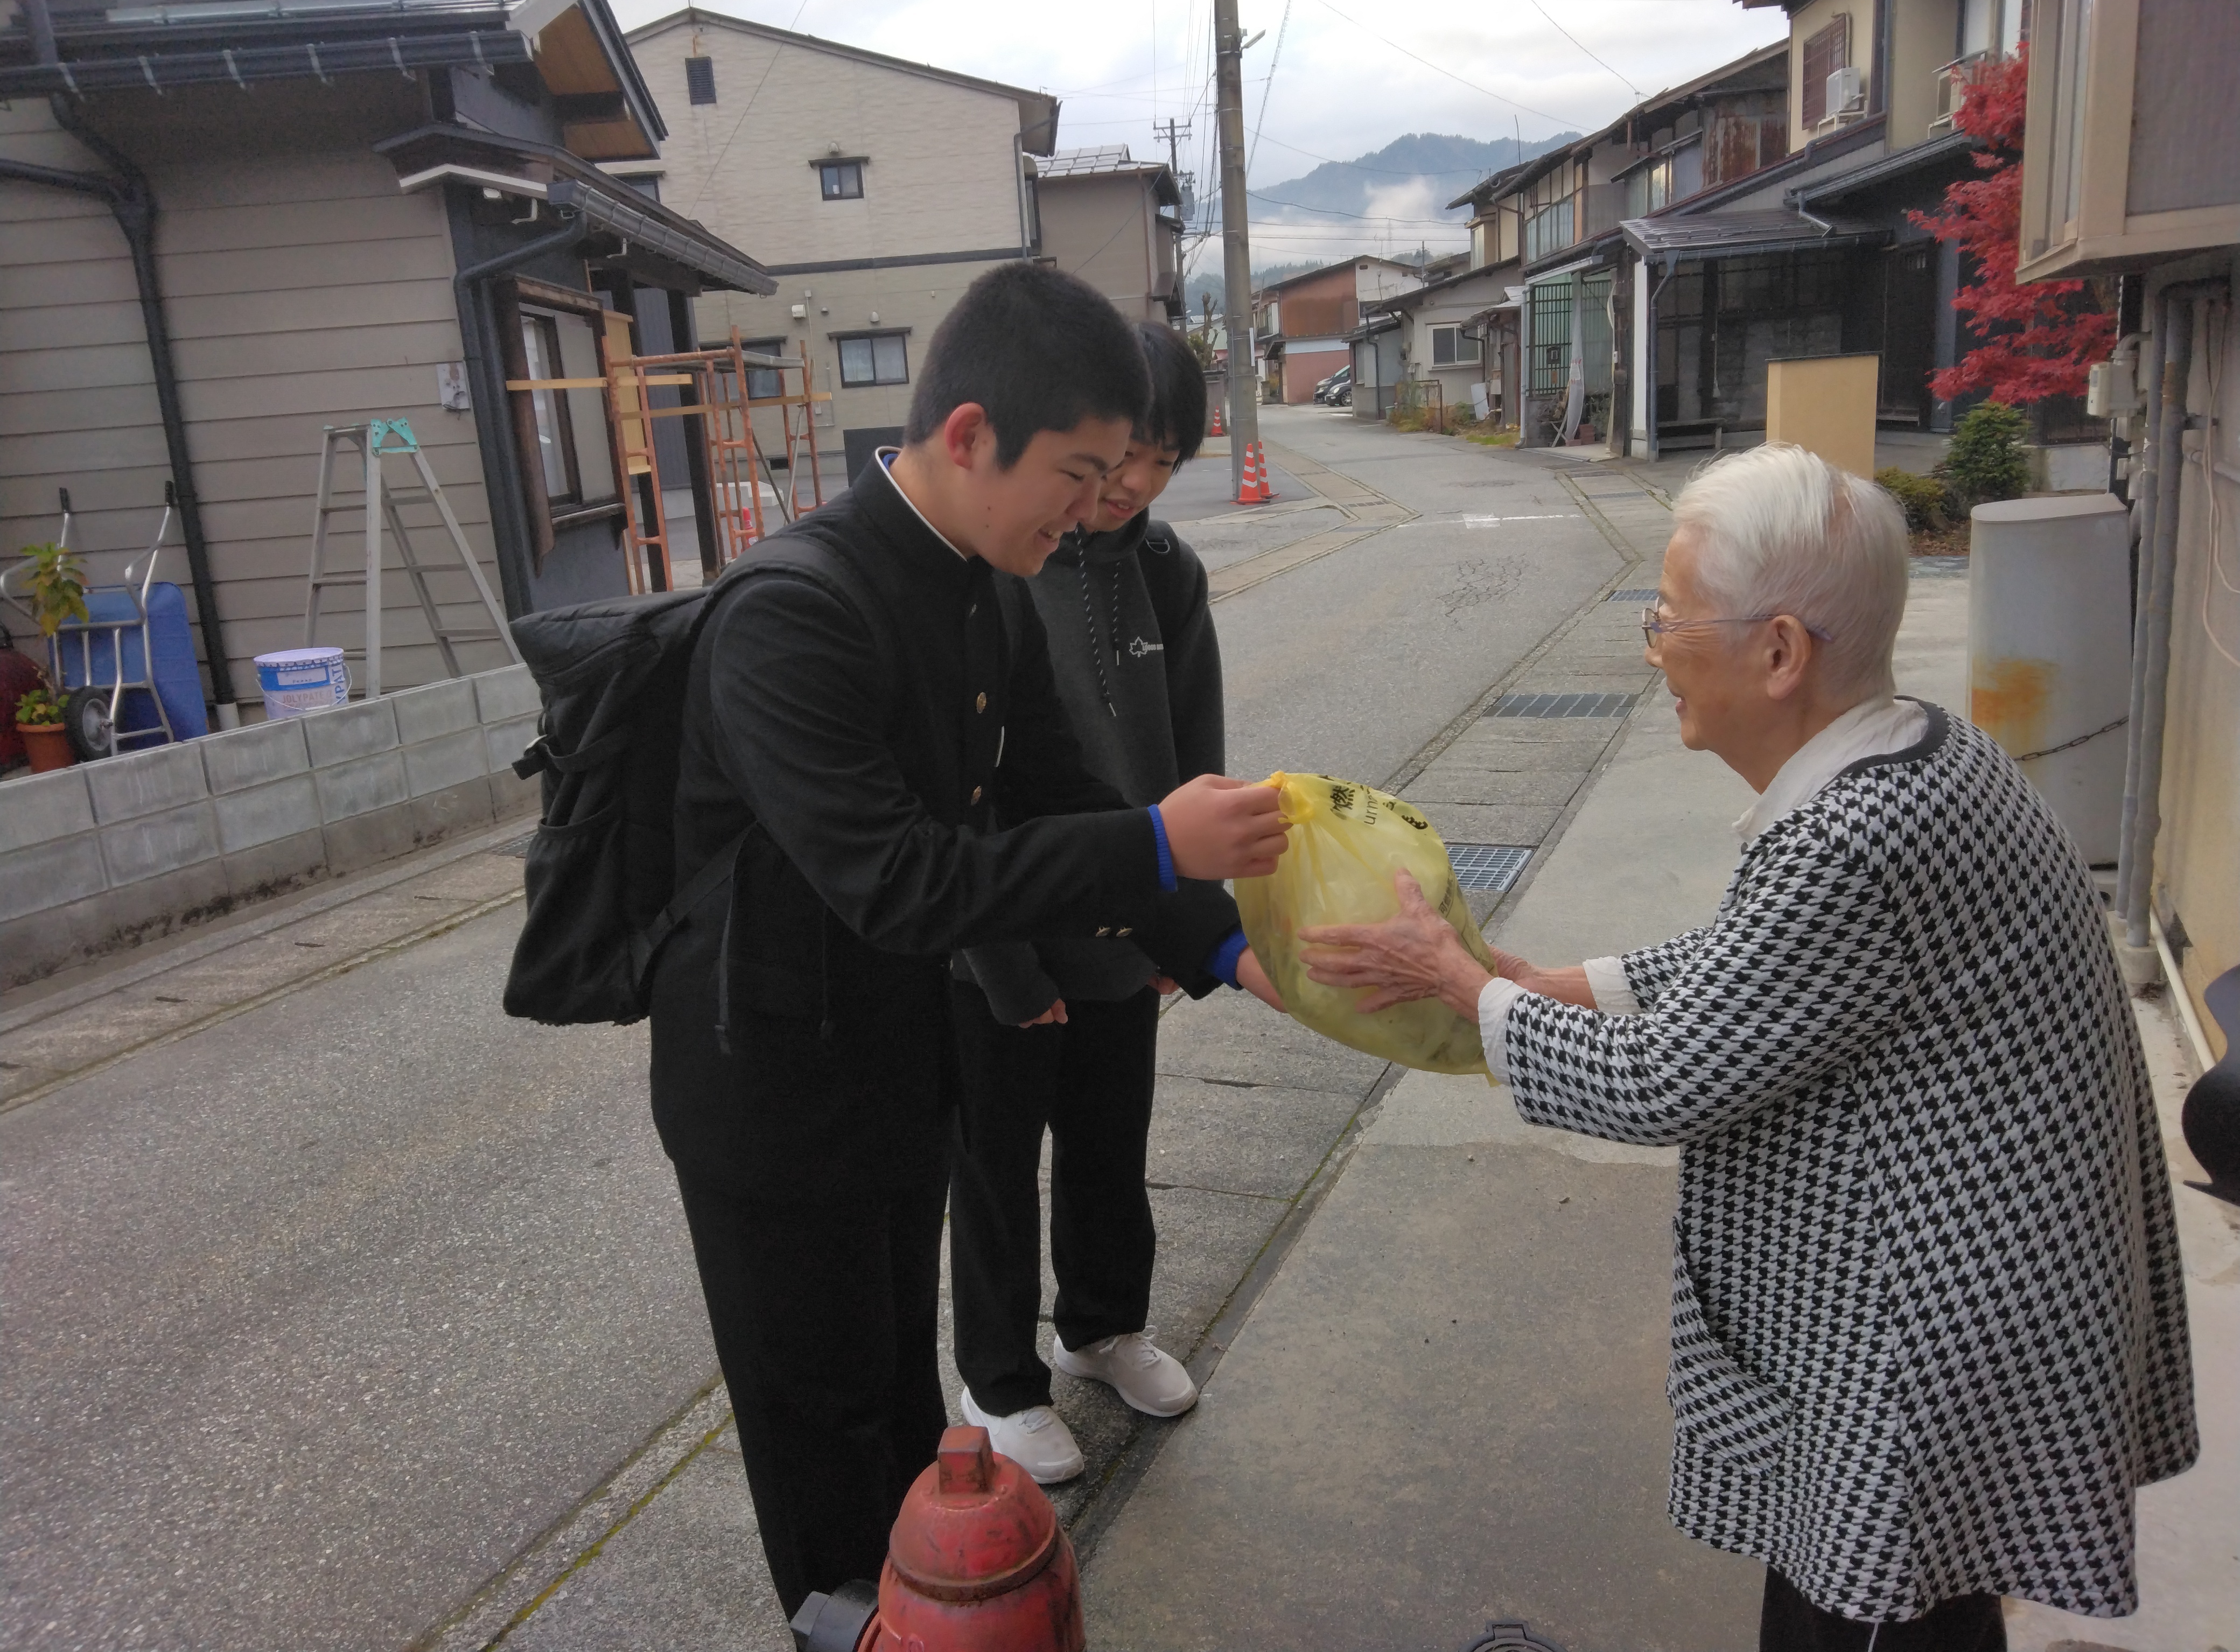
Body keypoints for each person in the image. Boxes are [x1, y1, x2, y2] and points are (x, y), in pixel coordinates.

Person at [1298, 444, 2197, 1652]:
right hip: (1967, 1313)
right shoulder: (1922, 753)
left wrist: (1461, 989)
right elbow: (1766, 975)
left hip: (1921, 1361)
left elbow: (1663, 1082)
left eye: (1668, 615)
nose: (1653, 642)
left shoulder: (1854, 840)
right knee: (1875, 1605)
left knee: (1871, 1619)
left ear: (1778, 652)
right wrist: (1550, 984)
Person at [648, 263, 1289, 1620]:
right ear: (966, 436)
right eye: (1076, 470)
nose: (1094, 505)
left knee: (896, 1415)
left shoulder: (986, 584)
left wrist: (1236, 953)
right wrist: (1162, 844)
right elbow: (904, 882)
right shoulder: (791, 613)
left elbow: (1066, 801)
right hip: (769, 1090)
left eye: (1118, 473)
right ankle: (852, 1623)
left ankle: (926, 1619)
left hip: (889, 1061)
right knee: (820, 1429)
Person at [948, 322, 1282, 1482]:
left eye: (1160, 463)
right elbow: (967, 791)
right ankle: (995, 1379)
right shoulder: (1000, 560)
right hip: (1000, 931)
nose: (1131, 486)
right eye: (1120, 455)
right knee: (993, 1164)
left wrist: (1192, 928)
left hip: (1133, 918)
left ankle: (1100, 1328)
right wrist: (1005, 964)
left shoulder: (1167, 571)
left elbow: (1198, 760)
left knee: (1109, 1143)